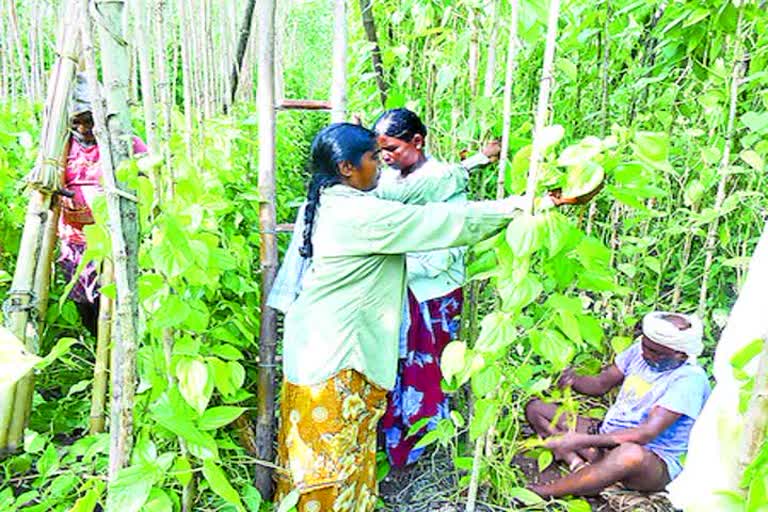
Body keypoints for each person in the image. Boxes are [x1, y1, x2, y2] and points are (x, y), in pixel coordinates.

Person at [274, 123, 595, 511]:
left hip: (316, 348)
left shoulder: (331, 199)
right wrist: (529, 203)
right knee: (331, 466)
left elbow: (425, 195)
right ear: (345, 167)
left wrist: (477, 162)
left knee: (323, 455)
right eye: (373, 158)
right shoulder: (360, 214)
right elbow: (444, 222)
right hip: (336, 356)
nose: (380, 165)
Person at [372, 108, 497, 467]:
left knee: (426, 367)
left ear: (417, 141)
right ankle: (394, 438)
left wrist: (387, 261)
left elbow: (446, 248)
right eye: (381, 150)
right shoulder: (389, 181)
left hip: (433, 291)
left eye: (392, 149)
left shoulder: (445, 182)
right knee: (397, 365)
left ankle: (422, 446)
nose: (385, 156)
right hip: (400, 288)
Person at [524, 311, 711, 499]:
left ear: (680, 354)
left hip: (650, 460)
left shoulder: (689, 380)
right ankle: (579, 465)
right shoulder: (640, 350)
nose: (645, 353)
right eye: (645, 346)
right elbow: (600, 384)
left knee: (629, 454)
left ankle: (547, 492)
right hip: (607, 435)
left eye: (656, 352)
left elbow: (645, 434)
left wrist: (580, 440)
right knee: (536, 409)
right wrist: (574, 380)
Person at [57, 73, 147, 335]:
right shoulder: (62, 148)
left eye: (89, 120)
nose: (84, 129)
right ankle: (97, 353)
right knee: (85, 302)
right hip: (76, 241)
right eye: (77, 122)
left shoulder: (123, 143)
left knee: (117, 299)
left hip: (114, 240)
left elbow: (148, 173)